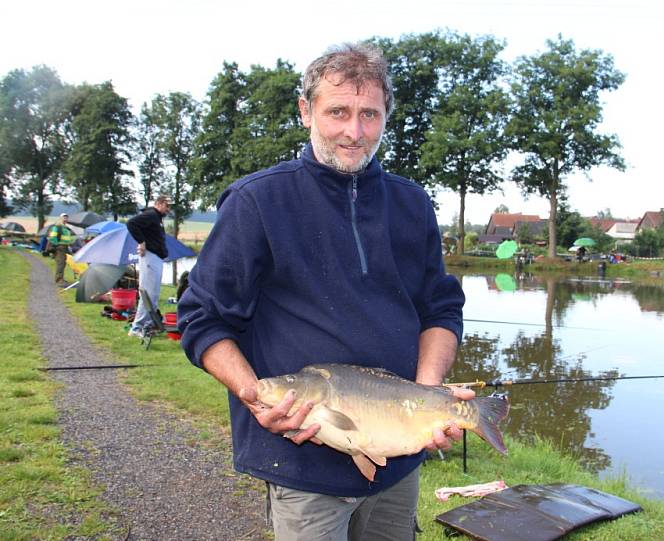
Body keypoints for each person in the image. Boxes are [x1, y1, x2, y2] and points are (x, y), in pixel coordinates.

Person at [178, 42, 468, 540]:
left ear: (385, 117)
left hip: (397, 456)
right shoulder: (257, 201)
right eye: (338, 111)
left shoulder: (413, 204)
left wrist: (428, 393)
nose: (354, 132)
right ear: (305, 109)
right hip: (301, 458)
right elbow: (203, 318)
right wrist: (255, 396)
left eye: (369, 115)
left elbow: (440, 309)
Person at [126, 195, 170, 338]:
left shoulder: (157, 218)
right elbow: (131, 223)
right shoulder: (151, 214)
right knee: (148, 294)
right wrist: (141, 242)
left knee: (154, 294)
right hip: (150, 257)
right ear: (159, 203)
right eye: (167, 206)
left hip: (156, 257)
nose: (168, 209)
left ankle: (149, 325)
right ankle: (137, 327)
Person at [45, 213, 75, 286]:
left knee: (64, 263)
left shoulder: (66, 228)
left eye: (66, 217)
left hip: (65, 247)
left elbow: (69, 238)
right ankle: (59, 280)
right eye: (64, 217)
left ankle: (61, 279)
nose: (65, 219)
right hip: (60, 247)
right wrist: (56, 245)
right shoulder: (57, 227)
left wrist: (70, 242)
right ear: (60, 218)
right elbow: (53, 237)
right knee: (60, 263)